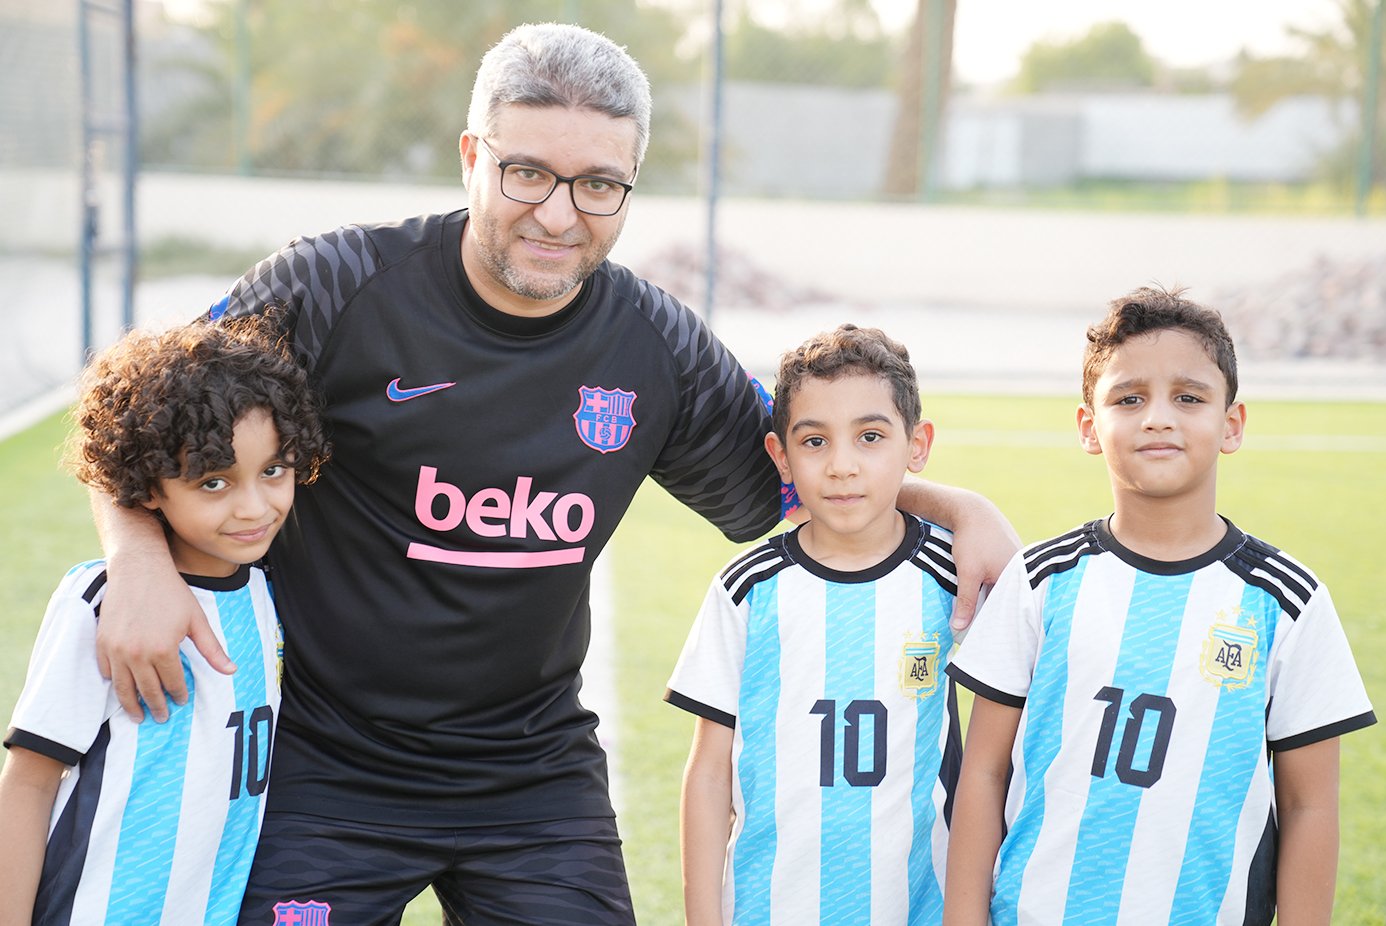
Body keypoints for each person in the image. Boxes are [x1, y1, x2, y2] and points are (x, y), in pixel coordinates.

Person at [91, 23, 1018, 924]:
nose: (559, 214)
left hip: (530, 773)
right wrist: (136, 556)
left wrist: (950, 504)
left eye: (599, 184)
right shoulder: (335, 283)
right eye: (527, 172)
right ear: (472, 156)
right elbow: (138, 414)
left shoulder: (659, 345)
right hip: (325, 761)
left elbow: (793, 469)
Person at [942, 287, 1377, 926]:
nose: (1158, 418)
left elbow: (1309, 806)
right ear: (1089, 427)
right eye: (1129, 399)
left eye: (1189, 398)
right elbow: (983, 775)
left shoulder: (1285, 600)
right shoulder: (1041, 580)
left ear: (1232, 424)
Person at [0, 316, 328, 925]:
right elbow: (28, 783)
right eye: (214, 482)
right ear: (147, 487)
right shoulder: (100, 602)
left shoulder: (269, 591)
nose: (254, 507)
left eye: (273, 471)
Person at [667, 325, 961, 925]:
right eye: (815, 441)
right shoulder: (748, 589)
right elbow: (709, 773)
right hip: (768, 908)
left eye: (870, 437)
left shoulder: (955, 574)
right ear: (781, 455)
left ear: (917, 445)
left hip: (917, 908)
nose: (842, 466)